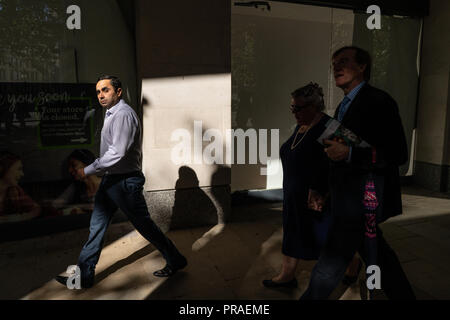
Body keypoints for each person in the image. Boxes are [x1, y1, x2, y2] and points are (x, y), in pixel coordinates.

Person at [300, 46, 415, 299]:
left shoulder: (380, 101)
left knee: (329, 265)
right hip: (346, 199)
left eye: (344, 62)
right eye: (334, 64)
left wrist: (351, 154)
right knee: (379, 255)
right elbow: (332, 151)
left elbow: (397, 154)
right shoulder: (344, 106)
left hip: (361, 203)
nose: (336, 68)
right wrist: (319, 187)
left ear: (362, 67)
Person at [56, 75, 187, 289]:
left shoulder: (123, 115)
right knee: (96, 227)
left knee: (145, 226)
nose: (100, 95)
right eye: (98, 91)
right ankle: (83, 276)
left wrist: (87, 170)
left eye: (105, 90)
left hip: (125, 183)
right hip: (111, 180)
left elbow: (117, 153)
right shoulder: (111, 113)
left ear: (118, 92)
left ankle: (175, 259)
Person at [262, 83, 332, 288]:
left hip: (314, 196)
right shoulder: (302, 125)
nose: (294, 112)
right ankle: (287, 275)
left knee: (321, 238)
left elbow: (342, 161)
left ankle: (350, 263)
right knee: (293, 231)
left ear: (314, 106)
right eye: (292, 108)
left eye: (298, 108)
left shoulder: (329, 126)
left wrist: (319, 190)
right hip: (294, 193)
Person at [51, 149, 101, 215]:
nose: (70, 170)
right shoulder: (75, 187)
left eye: (74, 165)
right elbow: (54, 206)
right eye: (69, 167)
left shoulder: (108, 185)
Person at [0, 151, 41, 223]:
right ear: (2, 168)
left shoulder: (15, 189)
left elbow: (36, 208)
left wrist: (20, 217)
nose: (22, 174)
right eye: (19, 169)